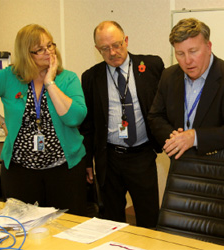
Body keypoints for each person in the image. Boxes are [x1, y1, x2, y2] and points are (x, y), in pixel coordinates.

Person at [0, 24, 87, 215]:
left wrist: (50, 82)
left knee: (67, 229)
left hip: (64, 170)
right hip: (20, 171)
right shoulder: (9, 77)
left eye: (50, 45)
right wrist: (1, 121)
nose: (48, 52)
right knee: (24, 228)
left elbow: (75, 118)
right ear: (26, 54)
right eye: (40, 49)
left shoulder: (67, 79)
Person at [79, 21, 164, 228]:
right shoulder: (91, 77)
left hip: (142, 155)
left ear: (126, 41)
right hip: (109, 159)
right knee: (111, 219)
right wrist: (87, 161)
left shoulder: (152, 66)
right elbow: (88, 124)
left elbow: (165, 107)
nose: (113, 52)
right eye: (105, 48)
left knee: (149, 217)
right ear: (97, 49)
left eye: (117, 45)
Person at [148, 18, 224, 159]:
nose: (187, 61)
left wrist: (195, 137)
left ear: (209, 47)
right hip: (179, 164)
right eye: (180, 54)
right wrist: (175, 139)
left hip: (218, 168)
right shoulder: (168, 76)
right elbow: (155, 116)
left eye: (193, 51)